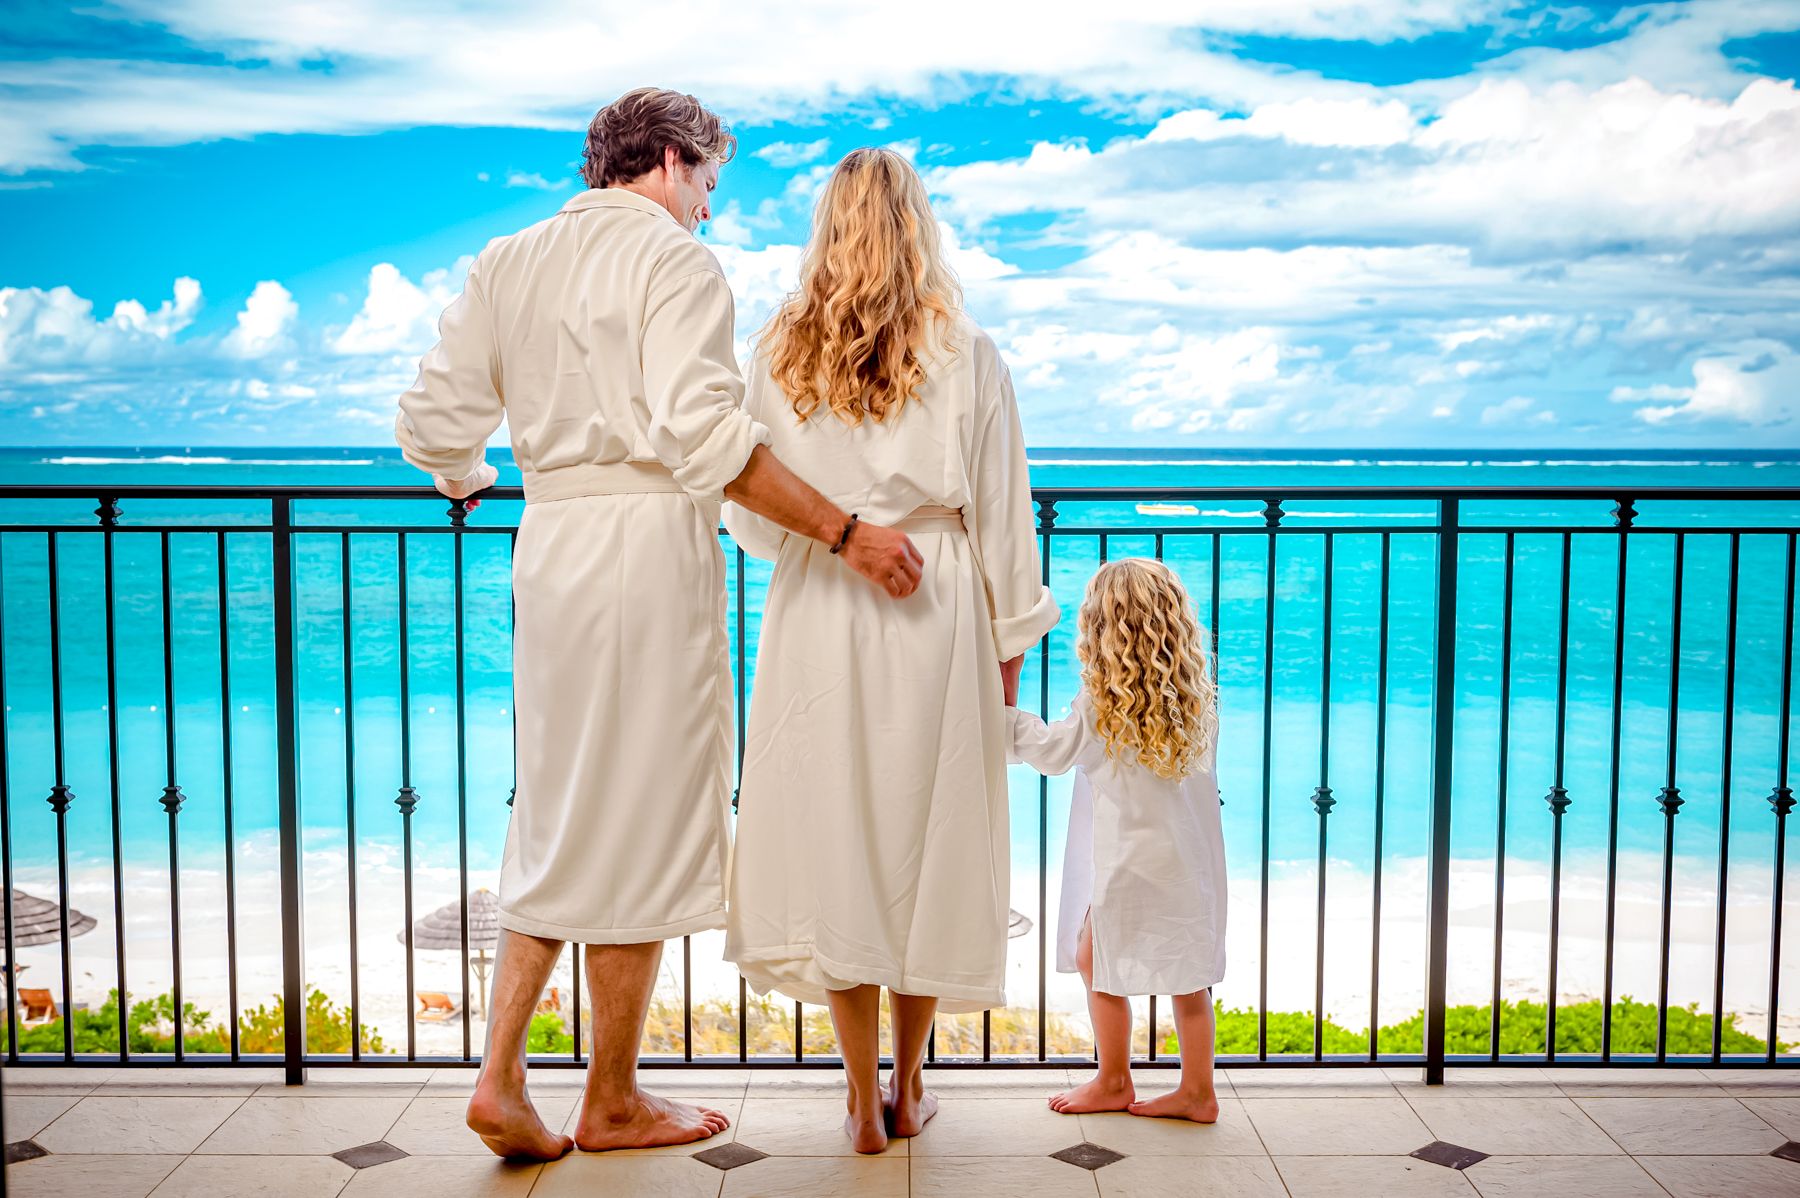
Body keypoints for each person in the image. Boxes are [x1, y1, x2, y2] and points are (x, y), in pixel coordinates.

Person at [394, 89, 924, 1160]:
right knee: (639, 812)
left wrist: (470, 474)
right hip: (644, 548)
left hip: (546, 547)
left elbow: (430, 422)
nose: (711, 214)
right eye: (711, 188)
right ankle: (612, 1098)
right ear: (675, 162)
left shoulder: (507, 259)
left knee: (557, 807)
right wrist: (846, 530)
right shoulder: (675, 264)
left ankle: (502, 1075)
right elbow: (704, 439)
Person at [723, 148, 1059, 1155]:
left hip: (825, 596)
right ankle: (912, 1087)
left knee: (842, 840)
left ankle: (859, 1096)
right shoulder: (967, 349)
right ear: (921, 226)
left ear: (826, 227)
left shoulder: (780, 351)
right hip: (937, 599)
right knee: (927, 841)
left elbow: (746, 508)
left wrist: (827, 538)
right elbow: (1005, 523)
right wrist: (1004, 668)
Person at [1007, 558, 1226, 1122]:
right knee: (1188, 974)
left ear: (1100, 631)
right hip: (1188, 858)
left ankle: (1113, 1080)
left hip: (1131, 859)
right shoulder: (1194, 698)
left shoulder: (1102, 706)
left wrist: (1004, 716)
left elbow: (1053, 754)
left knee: (1094, 956)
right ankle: (1198, 1091)